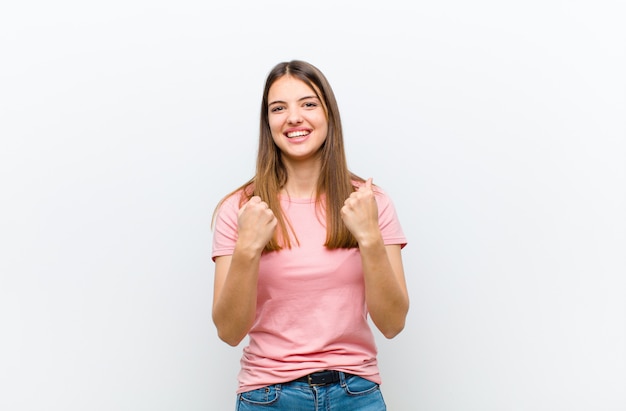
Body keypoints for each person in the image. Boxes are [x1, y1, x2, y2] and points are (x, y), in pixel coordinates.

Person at [211, 60, 409, 411]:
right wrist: (247, 249)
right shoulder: (240, 209)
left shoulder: (370, 203)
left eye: (308, 104)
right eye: (278, 108)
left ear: (328, 114)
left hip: (356, 394)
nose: (293, 117)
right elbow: (229, 332)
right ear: (267, 123)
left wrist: (370, 239)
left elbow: (392, 324)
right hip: (267, 396)